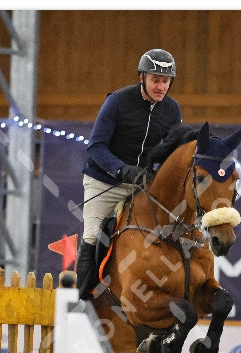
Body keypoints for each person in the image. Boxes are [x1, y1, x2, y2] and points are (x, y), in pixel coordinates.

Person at [77, 48, 182, 300]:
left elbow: (171, 154)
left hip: (141, 186)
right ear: (141, 77)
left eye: (165, 81)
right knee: (92, 235)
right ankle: (81, 302)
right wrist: (122, 170)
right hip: (104, 182)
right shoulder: (117, 102)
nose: (160, 86)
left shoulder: (172, 110)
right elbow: (96, 147)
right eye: (155, 80)